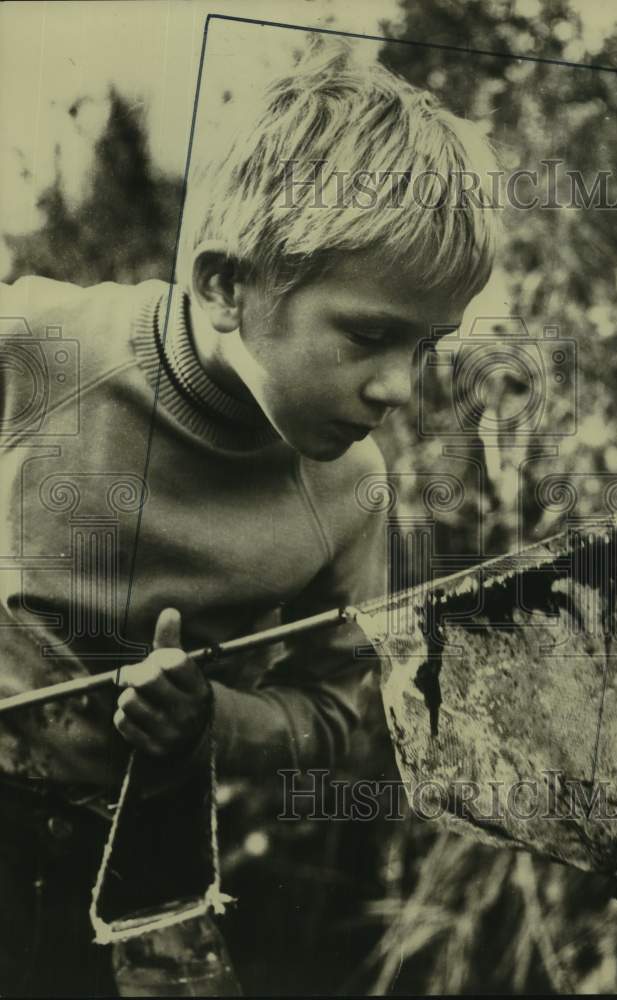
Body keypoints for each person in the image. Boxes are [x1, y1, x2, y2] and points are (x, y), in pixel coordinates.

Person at [0, 38, 496, 996]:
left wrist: (207, 719)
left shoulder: (350, 490)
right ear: (227, 286)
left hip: (133, 866)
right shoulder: (36, 348)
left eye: (427, 347)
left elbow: (338, 712)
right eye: (370, 335)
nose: (399, 387)